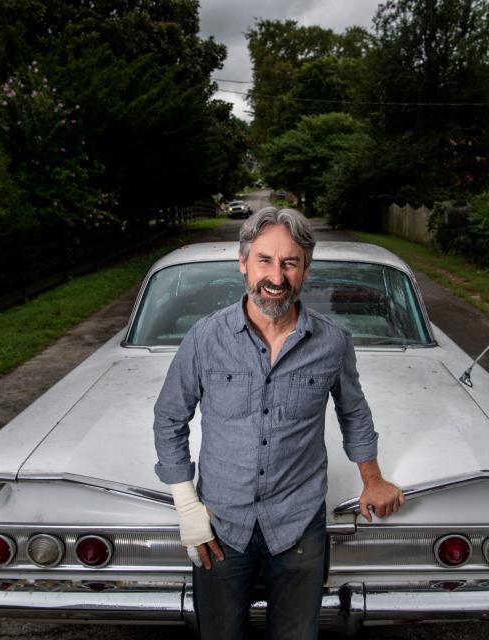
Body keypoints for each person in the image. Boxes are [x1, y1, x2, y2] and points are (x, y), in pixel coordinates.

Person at [152, 207, 404, 639]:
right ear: (243, 263)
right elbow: (170, 417)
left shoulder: (332, 342)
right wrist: (186, 505)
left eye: (290, 262)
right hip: (219, 524)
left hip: (298, 523)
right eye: (265, 260)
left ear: (305, 269)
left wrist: (373, 479)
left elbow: (354, 412)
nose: (277, 276)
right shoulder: (204, 339)